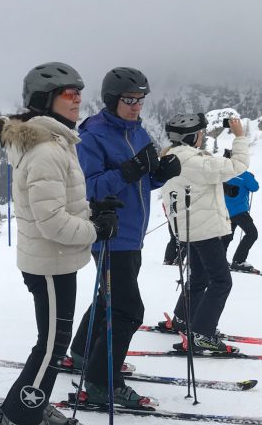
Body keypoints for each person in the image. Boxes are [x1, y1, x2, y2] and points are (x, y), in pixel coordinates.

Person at [0, 63, 119, 425]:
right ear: (45, 99)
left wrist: (94, 213)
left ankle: (30, 403)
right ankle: (20, 418)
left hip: (56, 260)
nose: (77, 99)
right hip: (49, 262)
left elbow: (62, 205)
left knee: (52, 342)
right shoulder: (47, 149)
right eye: (68, 93)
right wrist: (96, 230)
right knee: (51, 345)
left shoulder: (54, 141)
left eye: (79, 92)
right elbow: (51, 222)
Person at [68, 67, 181, 407]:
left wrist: (158, 175)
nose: (136, 106)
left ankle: (83, 353)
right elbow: (88, 188)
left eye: (141, 100)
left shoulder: (138, 132)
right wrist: (129, 170)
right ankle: (102, 382)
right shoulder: (93, 136)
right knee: (128, 310)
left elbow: (139, 180)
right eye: (130, 100)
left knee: (109, 300)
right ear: (112, 99)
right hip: (109, 235)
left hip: (132, 235)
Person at [159, 112, 249, 354]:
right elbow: (238, 166)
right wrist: (240, 137)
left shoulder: (170, 157)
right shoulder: (194, 162)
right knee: (222, 281)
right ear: (191, 137)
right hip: (204, 229)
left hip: (188, 229)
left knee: (199, 278)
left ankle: (182, 319)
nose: (203, 137)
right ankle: (203, 335)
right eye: (200, 133)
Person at [222, 169, 259, 271]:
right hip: (239, 210)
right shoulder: (244, 174)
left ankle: (220, 260)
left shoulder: (225, 171)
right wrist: (251, 177)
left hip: (226, 210)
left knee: (227, 236)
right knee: (252, 234)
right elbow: (255, 187)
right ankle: (238, 261)